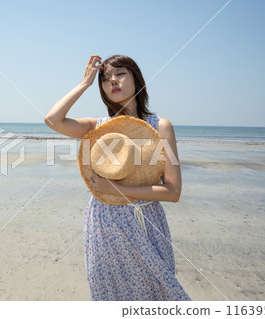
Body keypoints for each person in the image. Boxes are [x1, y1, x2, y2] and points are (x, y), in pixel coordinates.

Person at [45, 55, 190, 301]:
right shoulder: (97, 127)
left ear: (136, 78)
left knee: (156, 293)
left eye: (120, 73)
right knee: (108, 295)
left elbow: (173, 192)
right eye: (105, 78)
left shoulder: (160, 126)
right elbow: (52, 120)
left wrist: (115, 188)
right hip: (104, 223)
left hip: (145, 221)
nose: (112, 80)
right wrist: (84, 83)